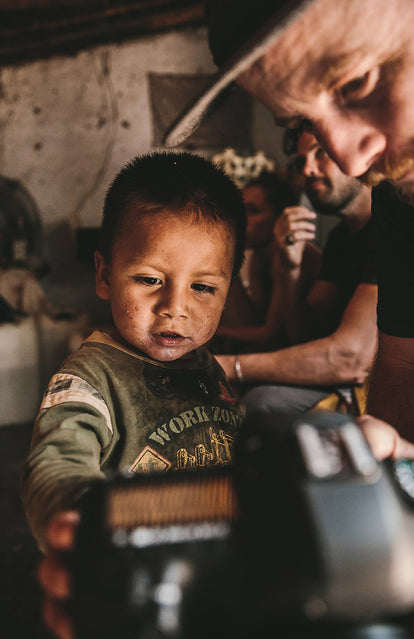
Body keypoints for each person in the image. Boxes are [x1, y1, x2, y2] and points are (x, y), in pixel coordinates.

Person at [165, 0, 414, 442]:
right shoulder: (398, 202)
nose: (351, 160)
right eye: (305, 124)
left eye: (356, 82)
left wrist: (220, 364)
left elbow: (350, 357)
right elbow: (400, 366)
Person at [21, 150, 247, 552]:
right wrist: (82, 518)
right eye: (149, 279)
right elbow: (55, 466)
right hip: (132, 565)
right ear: (105, 275)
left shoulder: (204, 365)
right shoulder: (90, 380)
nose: (175, 307)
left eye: (203, 287)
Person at [215, 128, 376, 419]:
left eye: (322, 152)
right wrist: (289, 269)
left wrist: (226, 365)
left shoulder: (393, 231)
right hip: (342, 373)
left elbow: (349, 358)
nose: (308, 170)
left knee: (263, 400)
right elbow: (303, 335)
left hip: (373, 383)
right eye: (302, 160)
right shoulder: (342, 238)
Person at [214, 169, 321, 352]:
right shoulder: (259, 254)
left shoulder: (289, 256)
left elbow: (271, 333)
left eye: (253, 211)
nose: (242, 219)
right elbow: (251, 320)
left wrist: (212, 332)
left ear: (280, 219)